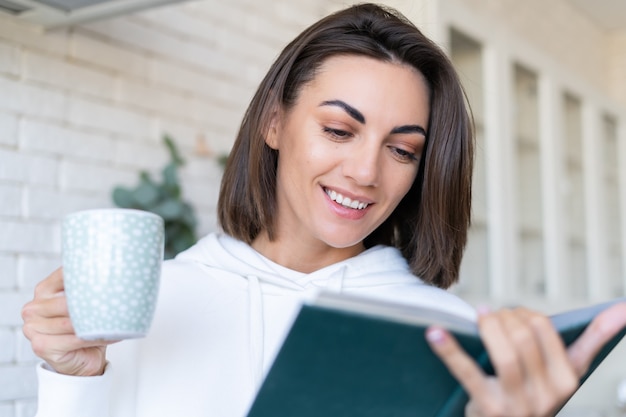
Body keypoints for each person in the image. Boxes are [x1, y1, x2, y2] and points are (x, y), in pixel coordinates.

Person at [21, 3, 626, 417]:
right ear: (274, 123)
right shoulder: (151, 306)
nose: (366, 172)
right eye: (339, 130)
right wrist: (74, 379)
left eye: (401, 149)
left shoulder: (441, 331)